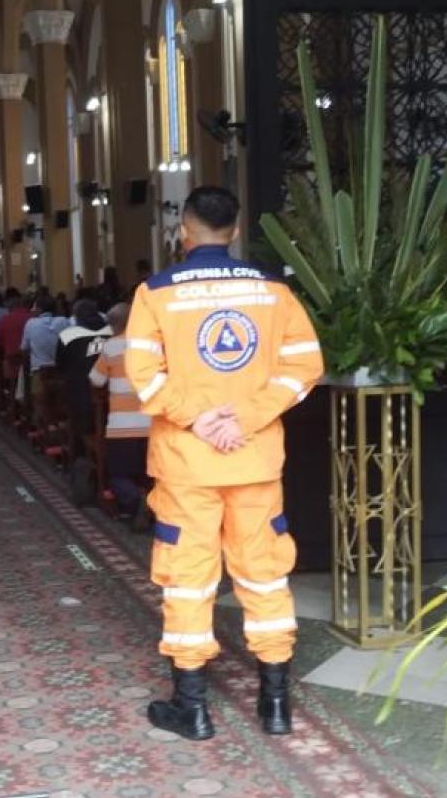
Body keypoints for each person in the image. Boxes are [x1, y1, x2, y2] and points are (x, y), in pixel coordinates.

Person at [125, 186, 323, 741]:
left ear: (183, 232)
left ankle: (192, 708)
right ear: (236, 231)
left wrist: (200, 419)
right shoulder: (272, 290)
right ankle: (276, 704)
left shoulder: (155, 293)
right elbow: (305, 365)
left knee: (188, 581)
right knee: (264, 575)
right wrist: (246, 418)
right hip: (254, 459)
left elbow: (144, 375)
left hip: (189, 465)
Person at [89, 302, 153, 530]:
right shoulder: (151, 344)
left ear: (114, 325)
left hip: (121, 426)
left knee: (117, 473)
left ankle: (135, 500)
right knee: (153, 471)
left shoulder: (111, 346)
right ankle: (153, 501)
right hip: (152, 423)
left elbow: (96, 379)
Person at [55, 298, 111, 463]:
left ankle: (80, 451)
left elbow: (61, 365)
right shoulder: (112, 332)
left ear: (77, 316)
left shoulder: (68, 335)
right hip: (111, 393)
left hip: (81, 393)